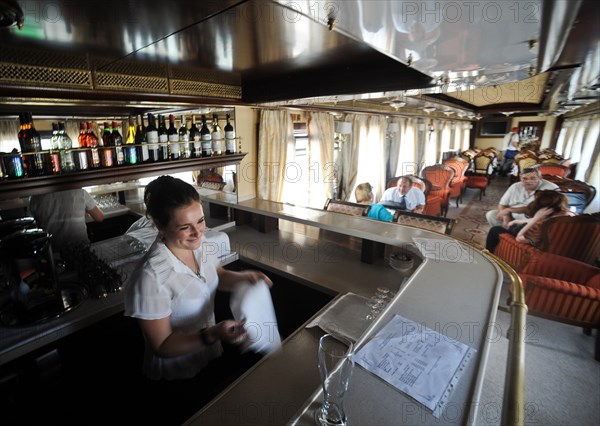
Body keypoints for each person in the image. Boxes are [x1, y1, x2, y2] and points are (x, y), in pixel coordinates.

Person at [485, 190, 574, 253]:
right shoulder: (566, 216)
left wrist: (535, 218)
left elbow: (519, 238)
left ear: (545, 209)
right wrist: (518, 221)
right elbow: (542, 221)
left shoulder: (541, 226)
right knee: (515, 224)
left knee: (495, 230)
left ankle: (489, 256)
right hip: (534, 234)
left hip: (525, 242)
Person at [28, 188, 104, 252]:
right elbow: (99, 217)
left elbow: (31, 227)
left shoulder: (36, 197)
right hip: (81, 250)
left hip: (53, 252)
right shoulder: (80, 192)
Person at [485, 167, 558, 227]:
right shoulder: (516, 186)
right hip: (512, 216)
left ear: (540, 178)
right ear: (520, 178)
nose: (529, 181)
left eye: (533, 178)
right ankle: (504, 235)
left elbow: (534, 208)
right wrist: (506, 218)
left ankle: (511, 235)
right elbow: (502, 204)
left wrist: (510, 210)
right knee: (491, 215)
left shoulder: (551, 188)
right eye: (525, 178)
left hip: (532, 220)